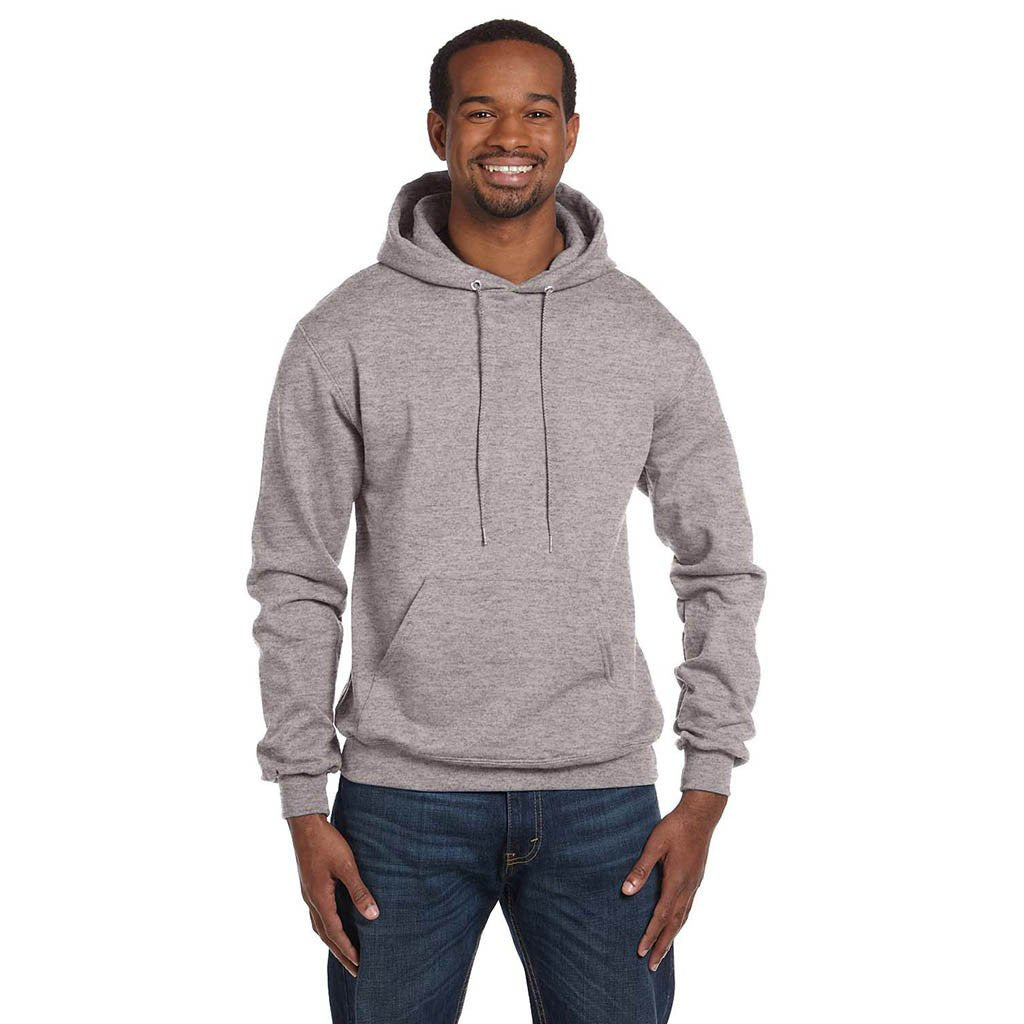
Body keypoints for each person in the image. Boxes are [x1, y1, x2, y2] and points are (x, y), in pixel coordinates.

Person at [246, 18, 766, 1024]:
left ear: (570, 132)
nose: (509, 135)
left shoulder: (646, 337)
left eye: (536, 112)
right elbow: (296, 573)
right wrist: (303, 798)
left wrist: (705, 788)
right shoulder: (344, 333)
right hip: (399, 805)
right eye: (481, 110)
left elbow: (720, 569)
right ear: (438, 128)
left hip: (603, 805)